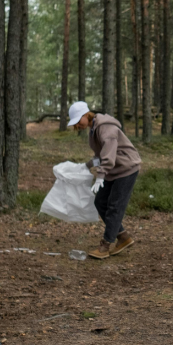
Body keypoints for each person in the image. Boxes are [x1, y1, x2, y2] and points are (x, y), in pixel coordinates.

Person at [67, 101, 142, 260]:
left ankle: (105, 245)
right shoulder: (94, 129)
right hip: (113, 169)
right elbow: (100, 156)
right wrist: (86, 166)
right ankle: (123, 237)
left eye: (78, 121)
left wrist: (100, 177)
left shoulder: (105, 128)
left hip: (126, 168)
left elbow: (108, 158)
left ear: (86, 115)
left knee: (115, 206)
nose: (77, 126)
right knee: (100, 201)